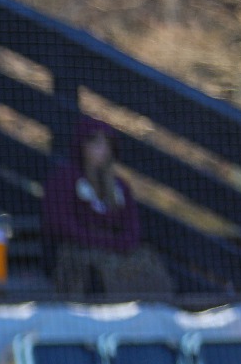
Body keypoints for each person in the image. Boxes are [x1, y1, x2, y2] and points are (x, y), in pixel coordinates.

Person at [43, 117, 174, 298]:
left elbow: (131, 225)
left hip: (116, 248)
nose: (102, 151)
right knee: (97, 270)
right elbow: (61, 224)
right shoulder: (64, 180)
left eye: (106, 145)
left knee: (146, 264)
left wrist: (123, 243)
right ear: (82, 146)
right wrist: (100, 242)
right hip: (79, 249)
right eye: (95, 144)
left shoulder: (119, 186)